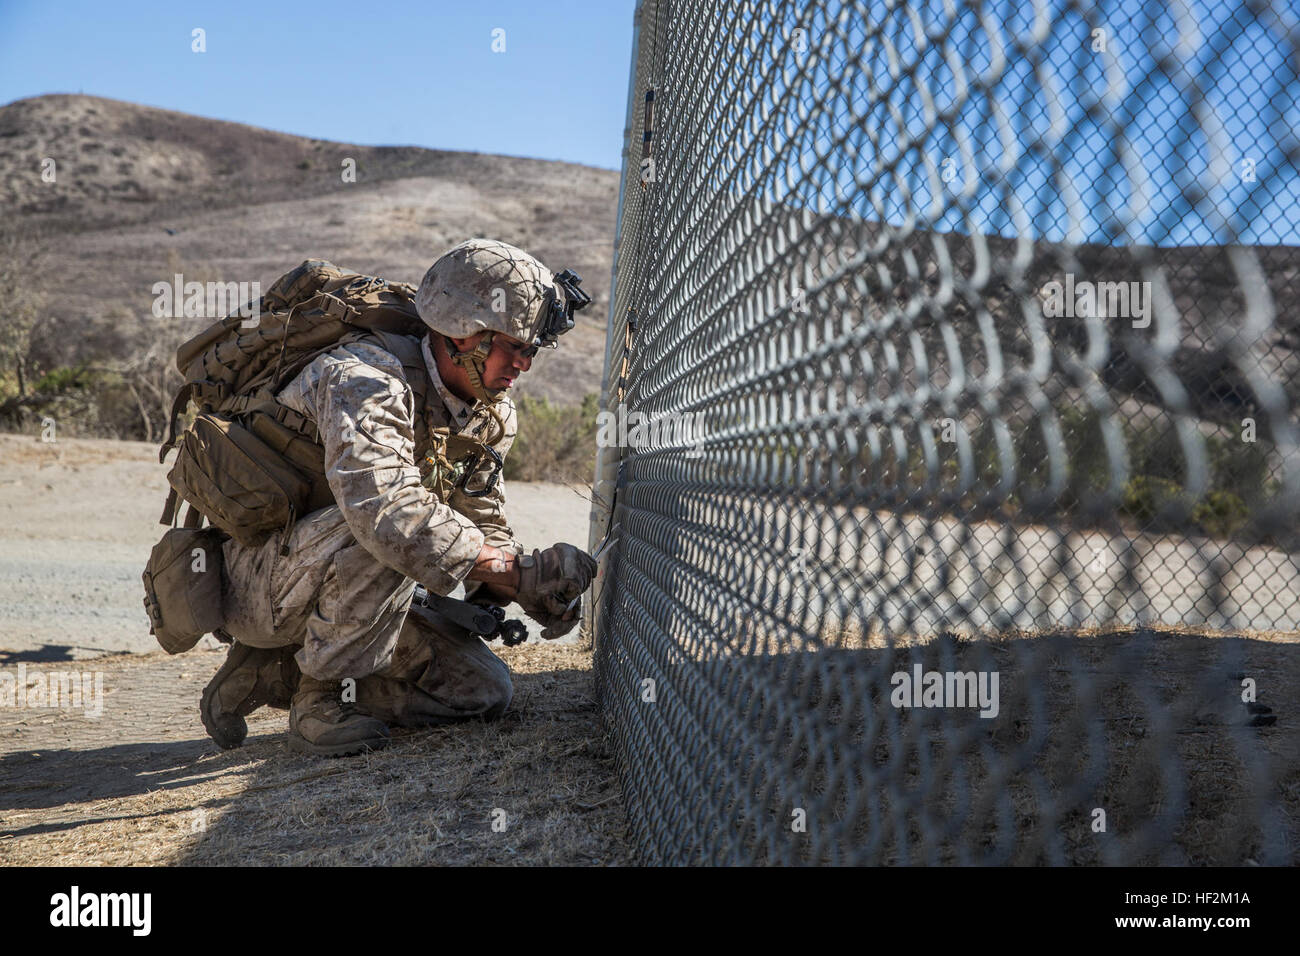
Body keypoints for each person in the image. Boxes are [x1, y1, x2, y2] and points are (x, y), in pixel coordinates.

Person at [199, 238, 598, 757]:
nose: (525, 364)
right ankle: (320, 698)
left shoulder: (490, 413)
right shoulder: (362, 377)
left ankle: (275, 672)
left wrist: (519, 584)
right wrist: (514, 570)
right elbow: (383, 509)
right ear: (465, 334)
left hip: (345, 585)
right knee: (389, 522)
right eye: (515, 346)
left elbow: (483, 516)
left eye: (533, 350)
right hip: (259, 583)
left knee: (482, 693)